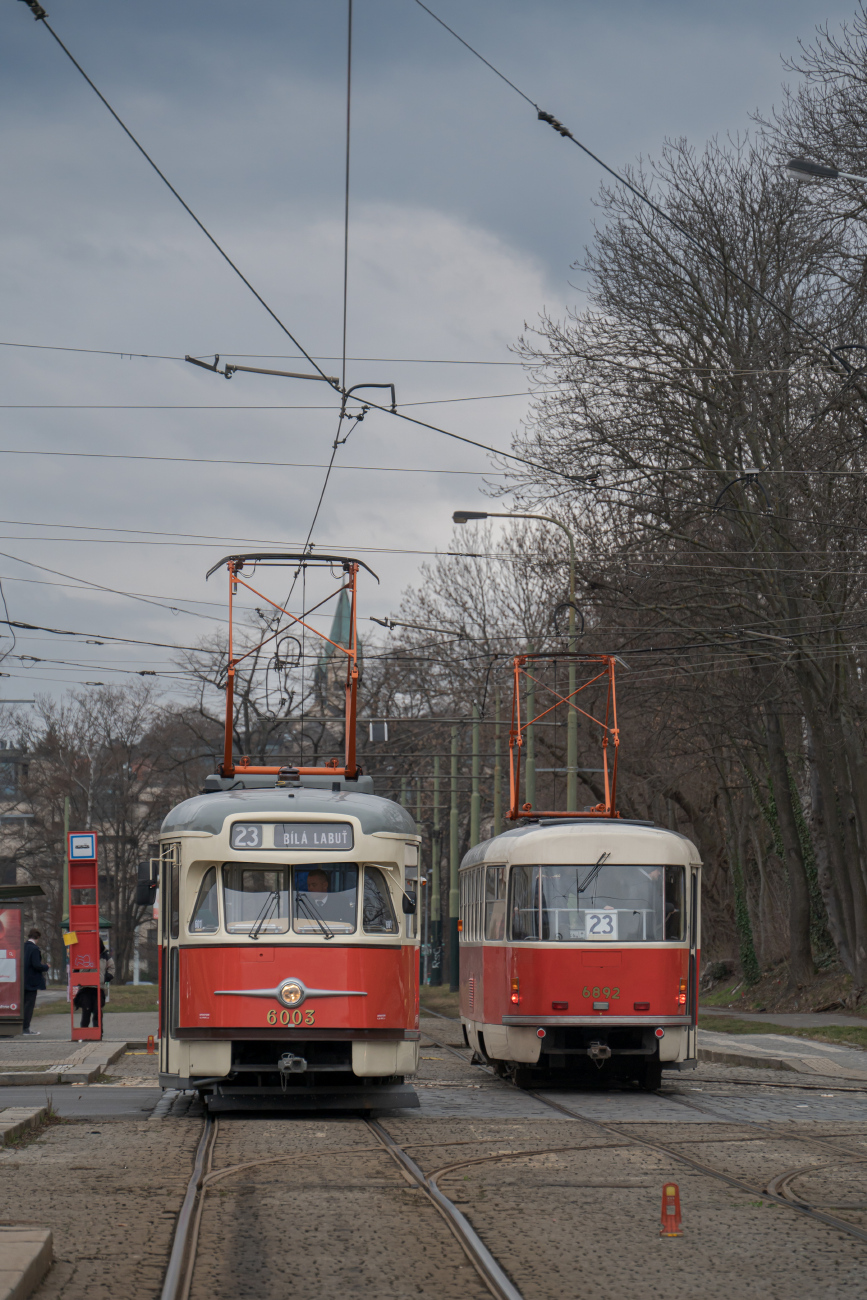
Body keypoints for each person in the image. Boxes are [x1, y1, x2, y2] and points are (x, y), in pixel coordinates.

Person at [74, 939, 115, 1029]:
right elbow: (75, 968)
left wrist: (105, 978)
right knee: (86, 1010)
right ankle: (84, 1031)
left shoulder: (105, 956)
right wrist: (78, 978)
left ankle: (98, 1031)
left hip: (99, 988)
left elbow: (112, 968)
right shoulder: (83, 954)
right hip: (85, 988)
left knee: (97, 1011)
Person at [22, 927, 49, 1036]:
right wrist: (46, 966)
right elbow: (36, 965)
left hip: (21, 981)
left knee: (22, 1004)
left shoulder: (23, 947)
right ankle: (25, 1028)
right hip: (31, 982)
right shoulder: (34, 949)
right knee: (29, 1005)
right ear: (37, 937)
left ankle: (20, 1027)